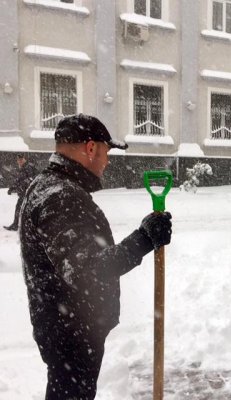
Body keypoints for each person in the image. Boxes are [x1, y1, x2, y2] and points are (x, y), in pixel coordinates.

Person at [19, 114, 173, 400]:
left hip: (62, 329)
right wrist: (143, 239)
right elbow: (88, 271)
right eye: (106, 151)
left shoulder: (47, 185)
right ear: (91, 148)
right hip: (72, 333)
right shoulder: (61, 196)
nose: (108, 160)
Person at [3, 153, 37, 231]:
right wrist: (12, 188)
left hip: (27, 192)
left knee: (20, 208)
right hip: (25, 192)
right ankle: (25, 226)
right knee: (24, 209)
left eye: (21, 159)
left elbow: (30, 179)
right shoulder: (23, 168)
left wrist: (26, 186)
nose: (20, 161)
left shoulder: (28, 168)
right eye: (19, 160)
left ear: (25, 159)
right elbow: (19, 180)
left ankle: (17, 225)